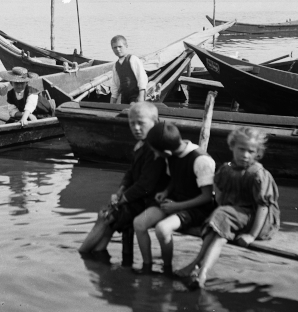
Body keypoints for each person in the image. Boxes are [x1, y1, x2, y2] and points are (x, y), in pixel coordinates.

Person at [176, 126, 280, 290]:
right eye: (241, 149)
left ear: (258, 153)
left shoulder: (258, 174)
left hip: (256, 220)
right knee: (217, 232)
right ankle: (201, 272)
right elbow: (219, 195)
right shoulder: (227, 169)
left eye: (251, 151)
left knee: (221, 216)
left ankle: (197, 266)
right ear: (232, 147)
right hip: (231, 217)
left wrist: (251, 236)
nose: (245, 155)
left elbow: (263, 207)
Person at [78, 102, 168, 266]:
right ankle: (96, 255)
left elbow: (146, 184)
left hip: (152, 200)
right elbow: (130, 173)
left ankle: (84, 254)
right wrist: (120, 190)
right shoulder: (140, 144)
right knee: (106, 215)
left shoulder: (154, 148)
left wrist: (123, 199)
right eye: (132, 123)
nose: (136, 128)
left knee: (109, 217)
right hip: (138, 198)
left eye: (141, 123)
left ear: (155, 122)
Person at [133, 122, 215, 276]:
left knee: (162, 228)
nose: (155, 156)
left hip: (197, 208)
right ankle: (147, 266)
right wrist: (165, 192)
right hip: (175, 200)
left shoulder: (200, 160)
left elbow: (207, 196)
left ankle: (167, 268)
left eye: (155, 152)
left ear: (166, 152)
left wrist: (177, 206)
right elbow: (175, 178)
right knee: (139, 223)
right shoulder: (172, 154)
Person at [109, 35, 148, 104]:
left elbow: (142, 78)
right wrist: (112, 101)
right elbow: (115, 84)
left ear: (126, 46)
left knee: (131, 110)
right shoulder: (116, 65)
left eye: (120, 46)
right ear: (112, 49)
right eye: (115, 47)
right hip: (124, 96)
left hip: (135, 95)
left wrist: (141, 96)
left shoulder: (133, 59)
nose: (118, 49)